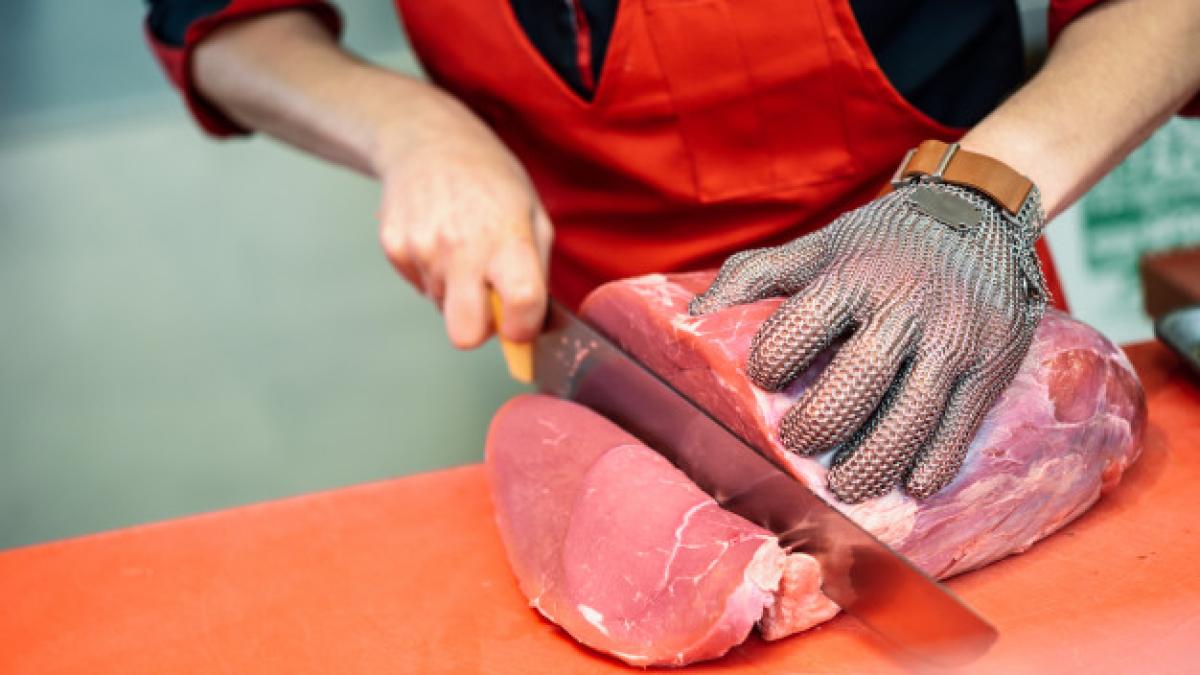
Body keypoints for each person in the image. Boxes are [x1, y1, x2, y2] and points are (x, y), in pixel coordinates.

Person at [144, 0, 1200, 502]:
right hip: (617, 368)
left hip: (944, 323)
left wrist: (976, 199)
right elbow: (227, 22)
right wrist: (411, 128)